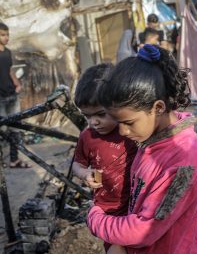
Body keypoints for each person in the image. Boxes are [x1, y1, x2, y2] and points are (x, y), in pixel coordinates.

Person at [87, 44, 197, 253]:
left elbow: (144, 230)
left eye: (129, 123)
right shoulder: (150, 139)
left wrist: (95, 218)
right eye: (118, 123)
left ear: (158, 107)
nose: (123, 132)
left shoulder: (184, 161)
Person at [72, 63, 137, 253]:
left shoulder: (131, 130)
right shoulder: (87, 136)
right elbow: (77, 163)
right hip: (108, 209)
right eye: (87, 116)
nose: (94, 122)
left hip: (136, 206)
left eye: (101, 114)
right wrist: (85, 174)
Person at [0, 22, 30, 168]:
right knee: (1, 129)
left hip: (12, 95)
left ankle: (14, 159)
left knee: (15, 127)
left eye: (7, 35)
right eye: (3, 35)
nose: (6, 38)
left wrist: (17, 84)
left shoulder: (7, 52)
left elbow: (9, 71)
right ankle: (0, 159)